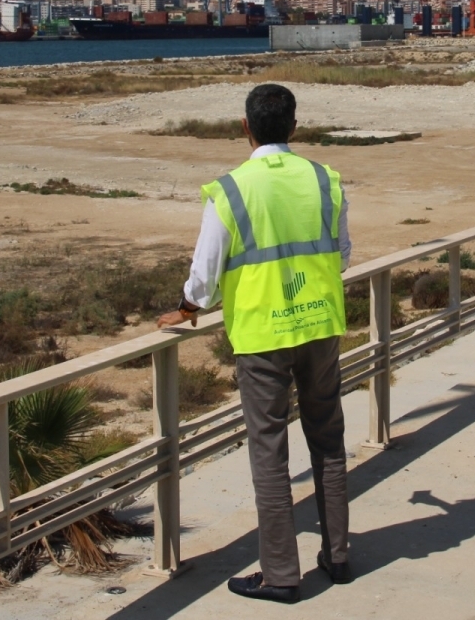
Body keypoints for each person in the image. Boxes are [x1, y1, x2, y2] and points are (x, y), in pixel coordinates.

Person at [157, 83, 353, 604]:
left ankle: (281, 575)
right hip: (320, 325)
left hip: (262, 335)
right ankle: (338, 556)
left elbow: (204, 273)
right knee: (328, 440)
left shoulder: (231, 190)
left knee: (269, 451)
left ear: (245, 128)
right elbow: (343, 254)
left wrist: (188, 309)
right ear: (294, 126)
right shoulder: (324, 179)